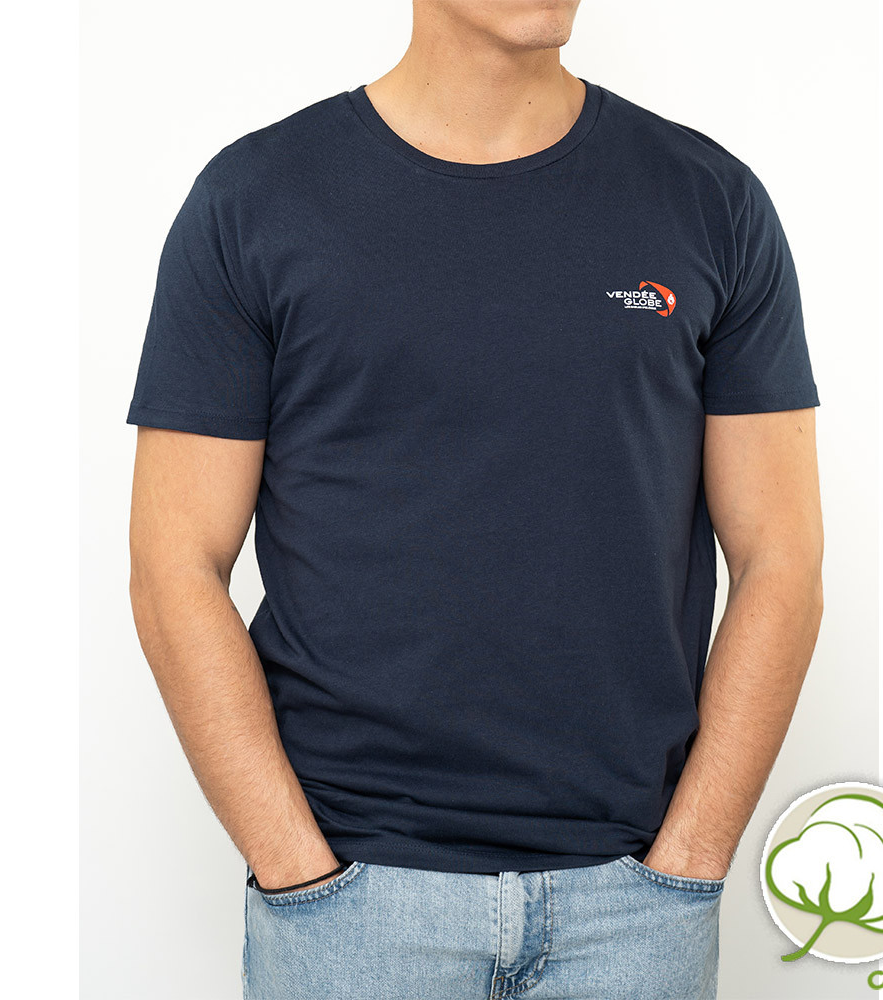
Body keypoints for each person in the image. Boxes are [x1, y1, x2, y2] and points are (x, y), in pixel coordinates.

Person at [125, 1, 824, 997]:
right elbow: (173, 565)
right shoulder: (257, 200)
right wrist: (294, 867)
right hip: (353, 907)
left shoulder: (707, 200)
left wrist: (690, 861)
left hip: (632, 905)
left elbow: (780, 559)